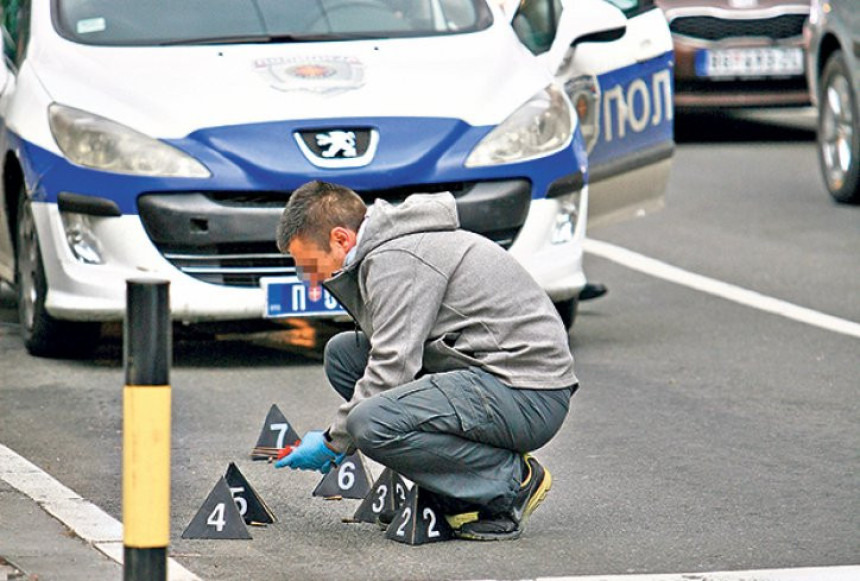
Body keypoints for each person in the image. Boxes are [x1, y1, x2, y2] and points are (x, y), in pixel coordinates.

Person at [274, 180, 579, 541]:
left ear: (341, 239)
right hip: (490, 376)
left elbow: (393, 366)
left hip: (527, 392)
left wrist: (331, 441)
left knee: (369, 423)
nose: (309, 279)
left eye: (308, 264)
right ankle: (454, 485)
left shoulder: (399, 259)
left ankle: (511, 482)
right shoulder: (387, 249)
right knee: (344, 356)